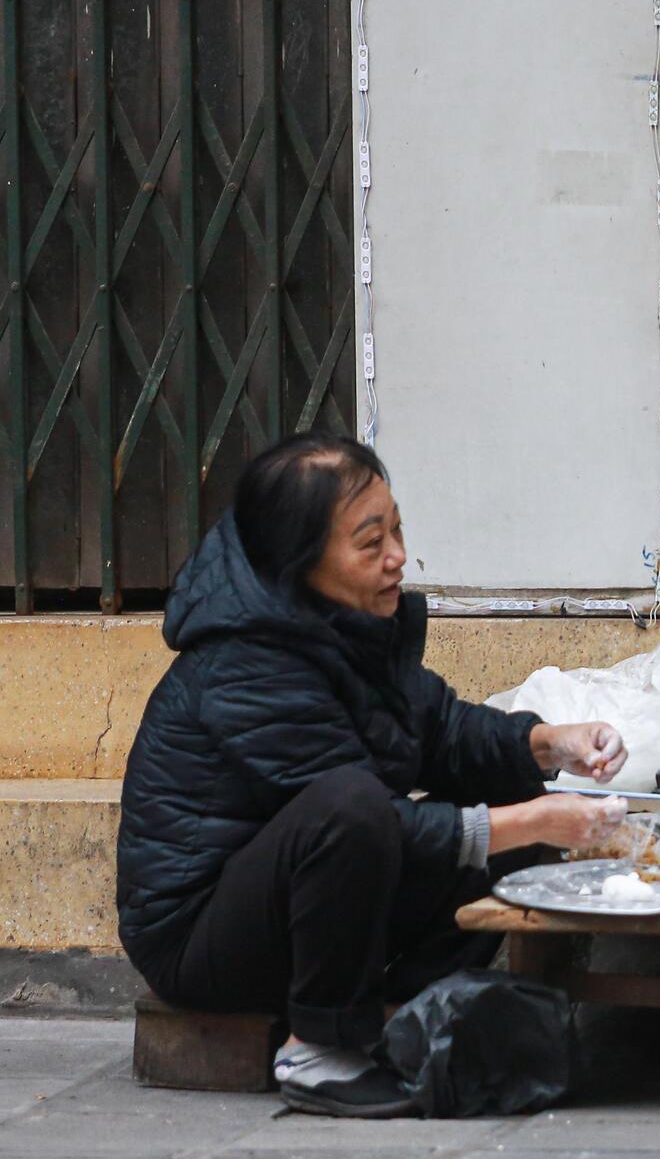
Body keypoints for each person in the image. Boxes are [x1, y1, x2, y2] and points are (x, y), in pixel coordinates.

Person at [116, 433, 632, 1119]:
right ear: (299, 561)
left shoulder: (345, 622)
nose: (397, 558)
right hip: (200, 936)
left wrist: (550, 744)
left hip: (307, 900)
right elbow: (359, 818)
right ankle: (319, 1053)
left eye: (397, 531)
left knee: (507, 784)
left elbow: (442, 731)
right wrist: (532, 825)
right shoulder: (246, 661)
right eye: (369, 544)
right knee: (356, 805)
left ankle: (402, 1014)